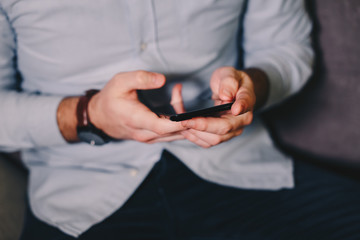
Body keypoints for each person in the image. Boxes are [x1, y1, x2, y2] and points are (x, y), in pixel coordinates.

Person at [1, 0, 359, 239]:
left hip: (243, 170)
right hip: (79, 197)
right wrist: (89, 115)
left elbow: (287, 48)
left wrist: (253, 87)